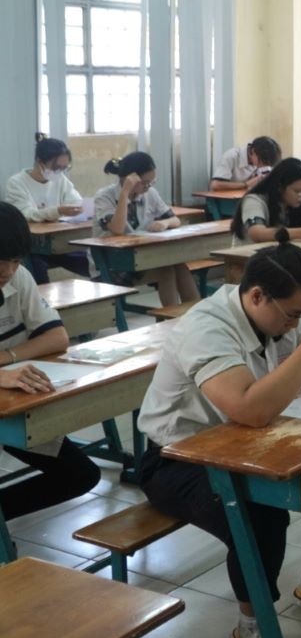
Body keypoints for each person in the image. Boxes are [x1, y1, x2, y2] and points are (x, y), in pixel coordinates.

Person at [137, 234, 301, 638]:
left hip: (246, 445)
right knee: (256, 513)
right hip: (179, 458)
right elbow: (250, 409)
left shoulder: (284, 312)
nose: (296, 322)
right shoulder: (207, 326)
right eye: (291, 315)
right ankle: (252, 625)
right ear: (256, 296)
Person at [0, 202, 100, 522]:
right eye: (1, 261)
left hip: (11, 406)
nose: (8, 271)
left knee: (80, 475)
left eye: (15, 261)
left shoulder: (19, 278)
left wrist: (7, 360)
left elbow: (57, 338)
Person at [94, 152, 199, 307]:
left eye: (151, 183)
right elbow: (117, 229)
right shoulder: (104, 197)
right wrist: (125, 193)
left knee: (179, 264)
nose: (148, 187)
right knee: (166, 270)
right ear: (128, 179)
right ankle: (172, 319)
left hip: (141, 257)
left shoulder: (149, 193)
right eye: (144, 183)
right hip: (113, 263)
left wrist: (165, 223)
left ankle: (195, 315)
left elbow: (175, 220)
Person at [3, 134, 90, 283]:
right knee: (37, 270)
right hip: (33, 246)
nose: (59, 172)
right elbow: (26, 214)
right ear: (39, 162)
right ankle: (41, 302)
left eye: (64, 168)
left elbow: (76, 201)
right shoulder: (17, 183)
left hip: (59, 242)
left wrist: (79, 209)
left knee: (92, 260)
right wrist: (58, 211)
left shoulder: (60, 180)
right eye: (56, 168)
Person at [230, 158, 301, 246]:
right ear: (280, 187)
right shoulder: (254, 200)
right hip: (248, 260)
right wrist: (299, 233)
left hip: (277, 255)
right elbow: (257, 233)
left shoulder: (300, 200)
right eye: (297, 191)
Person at [209, 137, 283, 191]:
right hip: (226, 201)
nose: (263, 166)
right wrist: (246, 184)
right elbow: (216, 185)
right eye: (263, 162)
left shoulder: (258, 159)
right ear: (253, 152)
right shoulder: (231, 156)